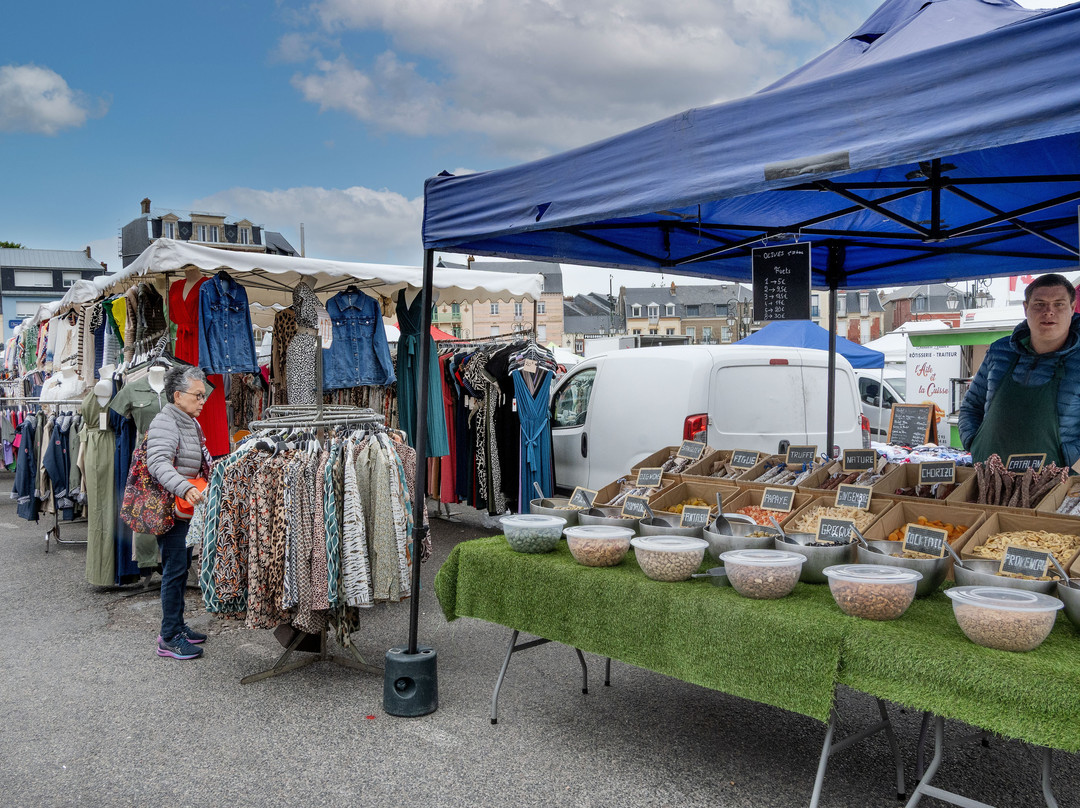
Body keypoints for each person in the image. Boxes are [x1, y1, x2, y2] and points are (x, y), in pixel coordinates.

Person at [958, 273, 1080, 469]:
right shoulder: (1000, 351)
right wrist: (974, 443)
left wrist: (1073, 466)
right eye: (1039, 304)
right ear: (1026, 308)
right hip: (989, 477)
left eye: (1059, 304)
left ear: (1072, 308)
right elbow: (971, 406)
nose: (1049, 312)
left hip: (1056, 481)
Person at [146, 365, 210, 660]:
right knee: (174, 570)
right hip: (171, 508)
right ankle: (169, 636)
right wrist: (184, 488)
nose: (202, 401)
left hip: (182, 507)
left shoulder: (188, 421)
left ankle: (178, 626)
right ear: (177, 395)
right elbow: (158, 463)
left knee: (181, 566)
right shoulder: (166, 421)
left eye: (203, 395)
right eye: (198, 395)